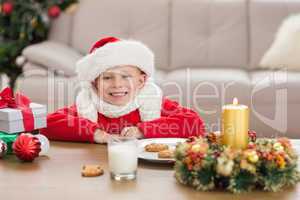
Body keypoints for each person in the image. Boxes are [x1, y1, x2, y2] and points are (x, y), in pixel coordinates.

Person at [40, 36, 206, 143]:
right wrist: (95, 133)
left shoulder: (150, 100)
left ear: (141, 81)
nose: (117, 84)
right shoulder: (89, 105)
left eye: (125, 76)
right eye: (107, 77)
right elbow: (46, 124)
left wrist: (142, 130)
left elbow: (195, 124)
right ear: (94, 84)